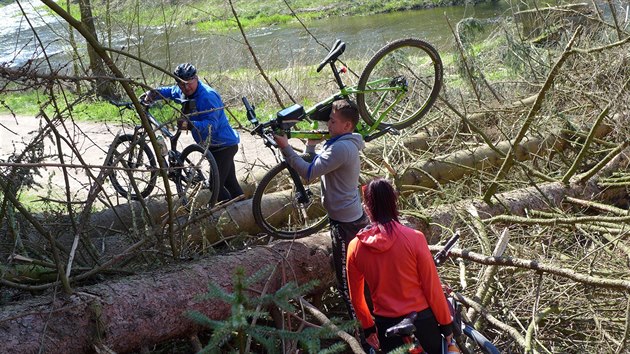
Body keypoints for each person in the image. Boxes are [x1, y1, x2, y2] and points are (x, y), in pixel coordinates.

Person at [273, 99, 370, 320]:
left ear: (347, 126)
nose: (328, 124)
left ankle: (363, 325)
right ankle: (366, 317)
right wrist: (310, 145)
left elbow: (309, 173)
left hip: (346, 225)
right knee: (355, 275)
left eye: (333, 121)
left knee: (347, 279)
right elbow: (318, 161)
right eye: (329, 120)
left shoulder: (341, 148)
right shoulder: (342, 142)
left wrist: (286, 147)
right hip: (346, 218)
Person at [346, 178, 454, 353]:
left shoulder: (355, 247)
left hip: (387, 327)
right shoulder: (415, 238)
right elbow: (432, 287)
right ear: (394, 203)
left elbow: (356, 298)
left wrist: (368, 327)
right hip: (422, 322)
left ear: (367, 209)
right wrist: (446, 324)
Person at [142, 63, 243, 202]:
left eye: (189, 83)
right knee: (230, 182)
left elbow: (213, 124)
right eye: (182, 84)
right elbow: (170, 91)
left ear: (196, 78)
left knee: (215, 189)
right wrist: (153, 93)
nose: (186, 88)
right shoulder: (182, 90)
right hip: (212, 145)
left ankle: (231, 216)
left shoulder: (207, 96)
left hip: (223, 145)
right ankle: (246, 208)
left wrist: (191, 125)